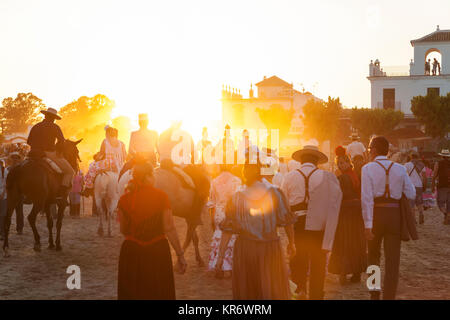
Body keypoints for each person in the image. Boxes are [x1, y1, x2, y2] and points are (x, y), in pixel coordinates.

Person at [215, 158, 296, 299]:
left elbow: (227, 231)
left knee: (249, 292)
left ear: (244, 174)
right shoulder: (276, 194)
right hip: (270, 249)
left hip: (246, 250)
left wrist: (220, 257)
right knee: (271, 289)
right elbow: (287, 222)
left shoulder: (236, 199)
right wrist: (292, 243)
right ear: (261, 173)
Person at [117, 161, 187, 299]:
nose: (155, 179)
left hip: (131, 253)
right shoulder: (161, 196)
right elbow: (169, 228)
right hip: (157, 252)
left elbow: (123, 230)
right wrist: (180, 254)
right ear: (147, 177)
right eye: (153, 175)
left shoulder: (124, 199)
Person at [281, 145, 342, 300]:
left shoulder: (289, 176)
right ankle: (316, 296)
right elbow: (334, 205)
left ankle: (299, 292)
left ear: (301, 160)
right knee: (318, 266)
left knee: (297, 263)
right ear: (317, 161)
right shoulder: (328, 177)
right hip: (319, 227)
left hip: (297, 225)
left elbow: (283, 207)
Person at [361, 136, 416, 300]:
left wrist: (367, 225)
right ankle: (389, 296)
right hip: (394, 217)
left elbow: (367, 199)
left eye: (370, 148)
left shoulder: (367, 169)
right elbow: (411, 193)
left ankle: (374, 293)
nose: (369, 151)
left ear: (375, 150)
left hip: (376, 216)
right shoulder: (400, 169)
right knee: (393, 261)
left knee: (373, 256)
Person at [328, 146, 367, 285]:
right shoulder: (356, 175)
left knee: (344, 241)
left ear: (348, 162)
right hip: (357, 211)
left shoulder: (342, 177)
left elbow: (336, 196)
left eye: (342, 163)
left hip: (345, 212)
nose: (340, 165)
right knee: (357, 241)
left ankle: (343, 272)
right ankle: (356, 273)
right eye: (339, 164)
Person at [27, 107, 75, 200]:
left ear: (45, 115)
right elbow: (61, 142)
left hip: (32, 153)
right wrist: (58, 151)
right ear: (53, 118)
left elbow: (29, 141)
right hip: (48, 153)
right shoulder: (55, 127)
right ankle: (61, 193)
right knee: (70, 172)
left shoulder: (36, 126)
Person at [207, 164, 241, 277]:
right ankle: (229, 267)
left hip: (219, 211)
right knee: (232, 238)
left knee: (219, 236)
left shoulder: (214, 180)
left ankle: (218, 265)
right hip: (232, 212)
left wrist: (212, 218)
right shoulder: (236, 180)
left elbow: (212, 201)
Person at [83, 126, 127, 196]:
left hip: (109, 163)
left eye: (106, 134)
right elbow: (125, 156)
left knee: (92, 166)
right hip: (120, 165)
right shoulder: (122, 143)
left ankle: (88, 187)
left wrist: (96, 158)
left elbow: (101, 153)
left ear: (108, 134)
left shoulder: (105, 141)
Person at [404, 153, 426, 224]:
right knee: (419, 202)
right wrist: (424, 185)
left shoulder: (407, 164)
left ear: (411, 157)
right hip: (419, 186)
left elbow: (403, 175)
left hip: (410, 186)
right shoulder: (421, 165)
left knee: (411, 204)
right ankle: (421, 213)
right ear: (417, 157)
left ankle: (413, 219)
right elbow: (424, 176)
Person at [5, 152, 24, 234]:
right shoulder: (7, 169)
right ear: (11, 159)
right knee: (8, 212)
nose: (15, 159)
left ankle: (19, 229)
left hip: (19, 193)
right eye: (13, 158)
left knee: (19, 212)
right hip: (9, 192)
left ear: (19, 159)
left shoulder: (22, 169)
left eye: (16, 158)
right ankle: (6, 228)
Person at [432, 149, 450, 225]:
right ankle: (448, 216)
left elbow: (434, 175)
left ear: (442, 156)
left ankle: (446, 214)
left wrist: (432, 185)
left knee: (440, 202)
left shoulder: (438, 163)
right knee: (449, 203)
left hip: (442, 185)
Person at [0, 160, 7, 240]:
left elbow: (6, 184)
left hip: (3, 196)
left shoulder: (4, 171)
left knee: (3, 215)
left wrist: (3, 193)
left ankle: (2, 233)